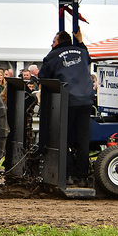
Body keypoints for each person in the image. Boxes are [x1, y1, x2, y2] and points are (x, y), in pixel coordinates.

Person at [38, 28, 95, 187]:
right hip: (85, 100)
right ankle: (82, 177)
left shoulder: (53, 55)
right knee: (83, 141)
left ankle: (68, 174)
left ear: (59, 42)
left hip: (67, 101)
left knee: (63, 139)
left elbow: (43, 76)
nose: (51, 43)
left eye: (54, 41)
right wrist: (81, 40)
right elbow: (88, 59)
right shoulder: (82, 52)